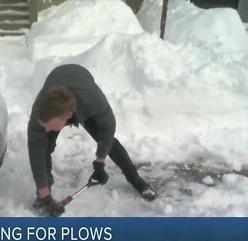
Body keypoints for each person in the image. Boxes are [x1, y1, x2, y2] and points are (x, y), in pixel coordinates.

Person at [27, 64, 157, 217]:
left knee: (109, 142)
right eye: (44, 126)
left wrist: (99, 164)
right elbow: (37, 154)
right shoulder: (39, 114)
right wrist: (45, 195)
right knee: (44, 149)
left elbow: (107, 131)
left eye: (50, 127)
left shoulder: (94, 102)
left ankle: (135, 178)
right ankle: (43, 195)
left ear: (68, 116)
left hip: (82, 89)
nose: (46, 130)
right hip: (57, 87)